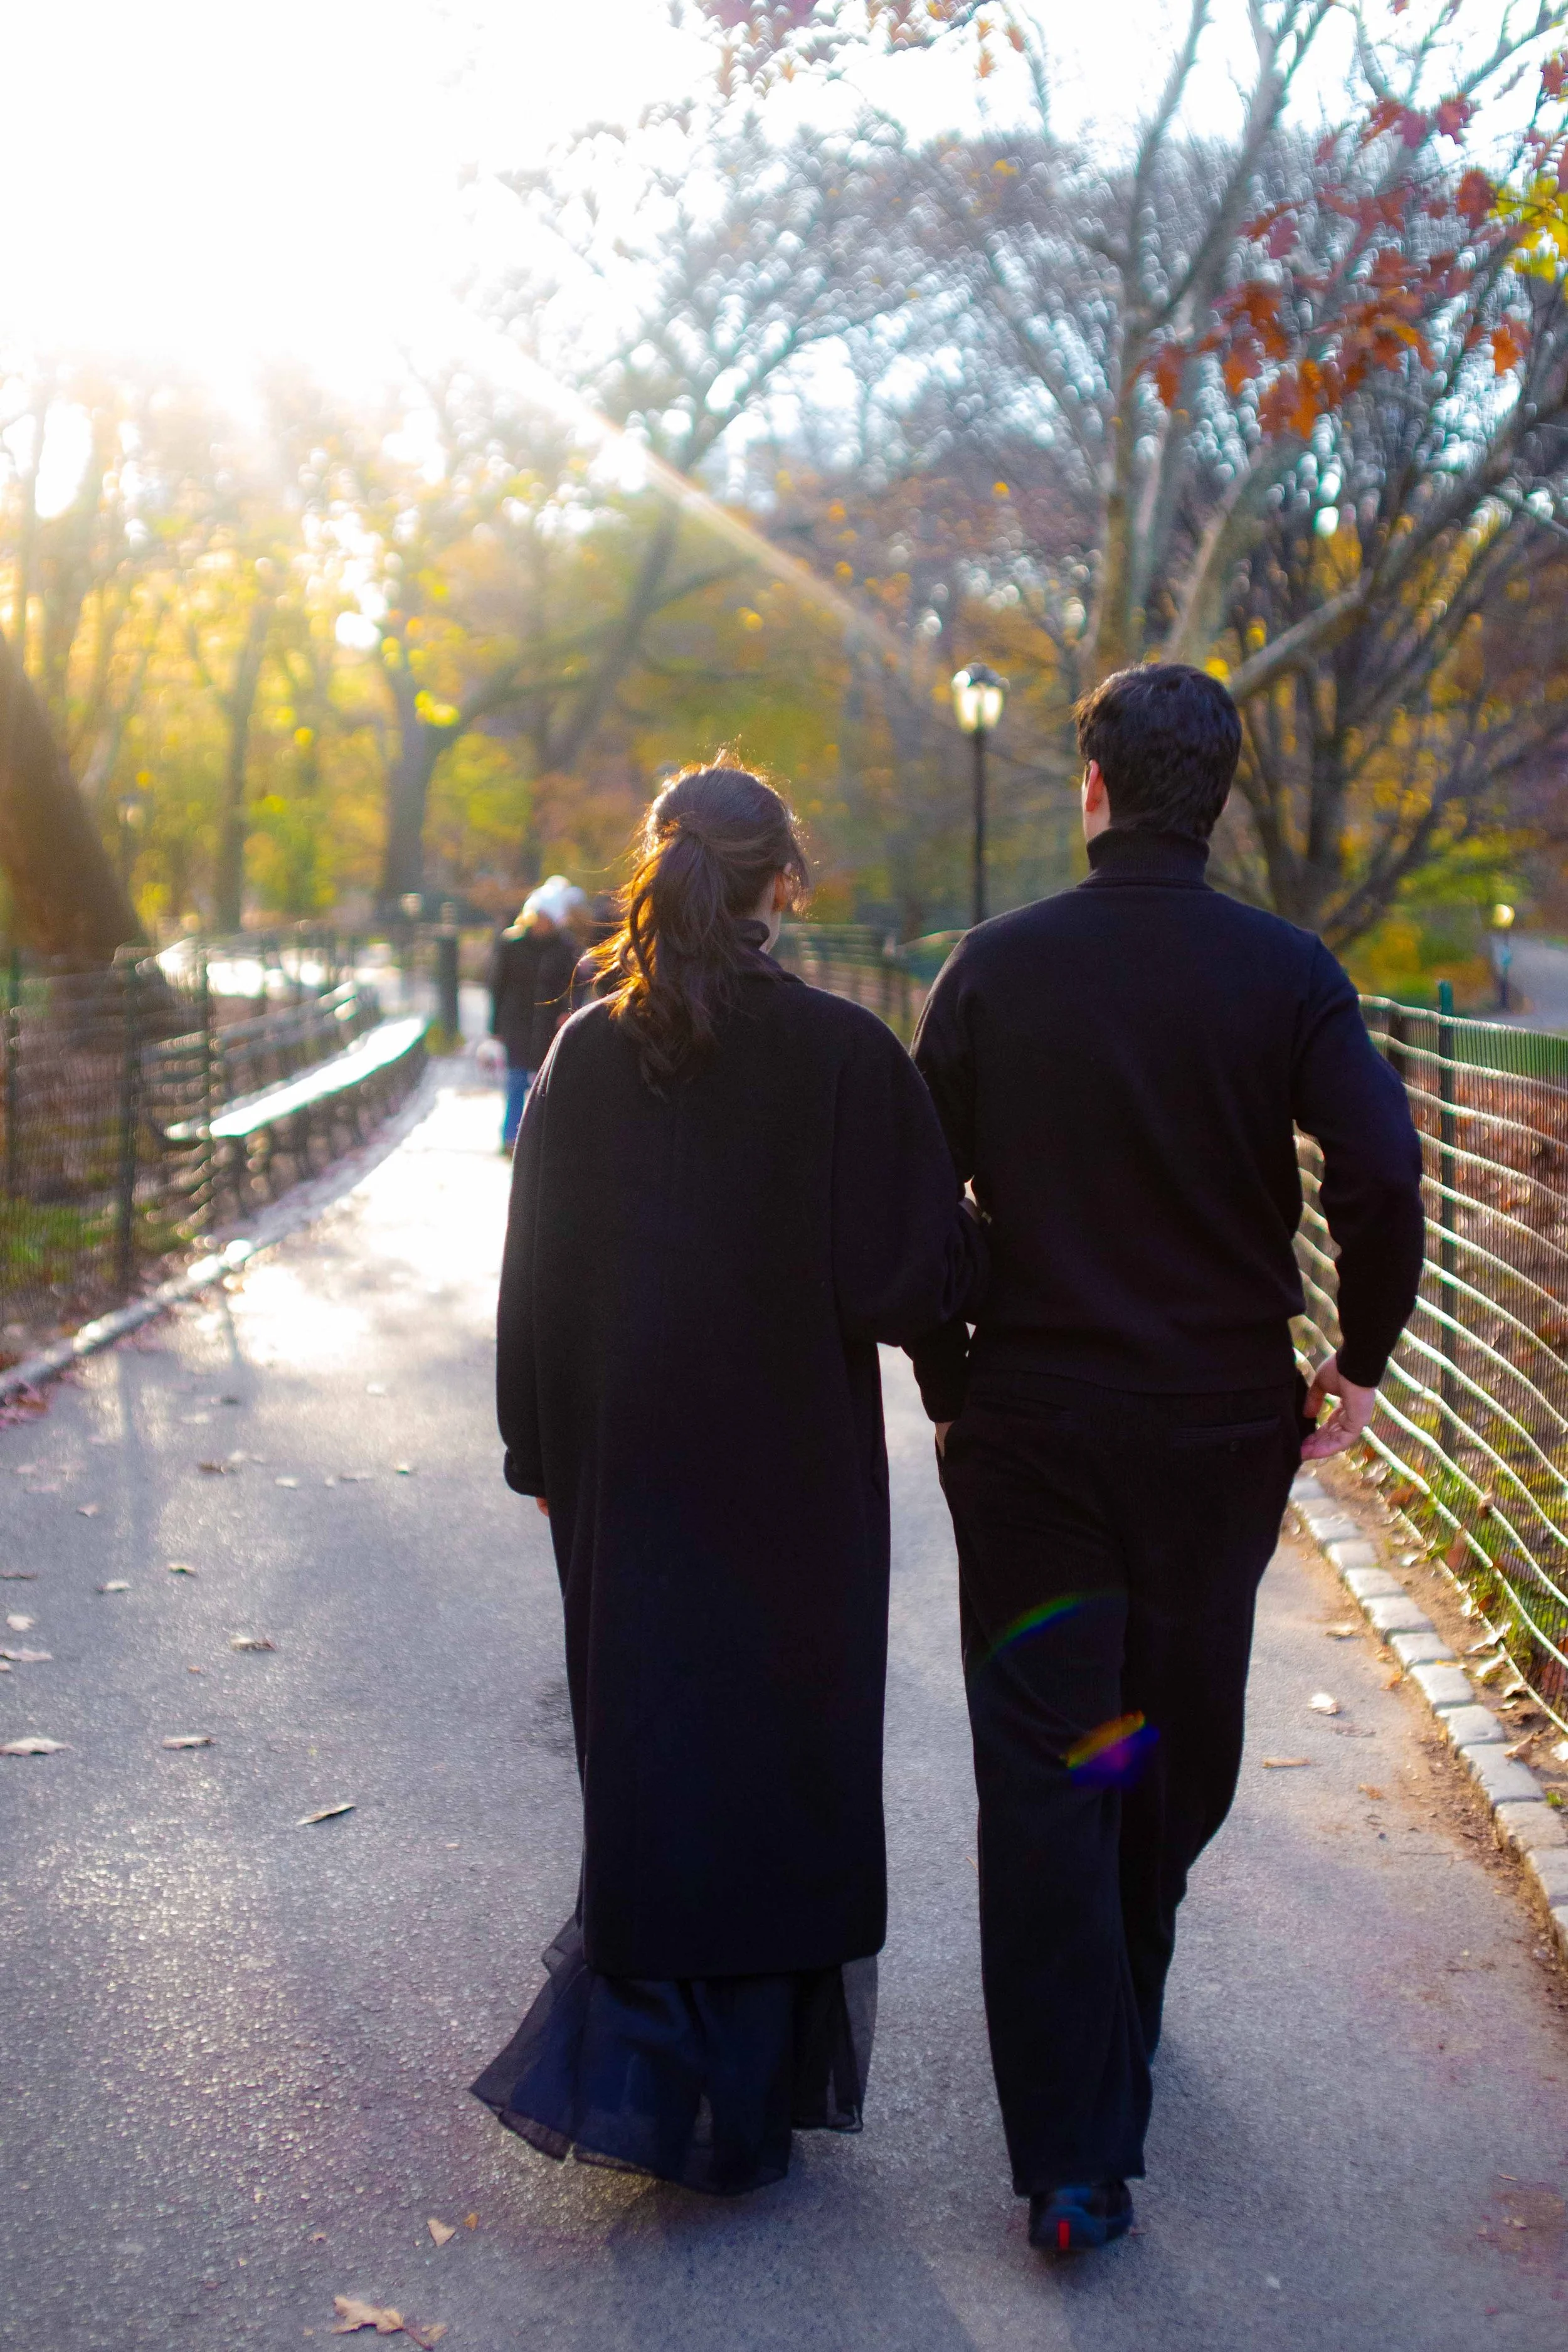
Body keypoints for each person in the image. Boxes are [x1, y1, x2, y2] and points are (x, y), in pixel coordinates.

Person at [910, 663, 1424, 2258]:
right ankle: (1100, 2058)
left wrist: (949, 1375)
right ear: (1218, 794)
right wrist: (1363, 1353)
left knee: (1065, 1747)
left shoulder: (991, 968)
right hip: (1217, 1428)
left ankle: (1077, 2138)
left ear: (1092, 787)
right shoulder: (1287, 972)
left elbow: (927, 1215)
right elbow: (1385, 1169)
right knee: (1167, 1726)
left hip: (1036, 1425)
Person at [473, 761, 986, 2196]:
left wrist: (535, 1452)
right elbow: (905, 1279)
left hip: (621, 1461)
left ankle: (649, 2068)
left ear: (659, 865)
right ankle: (758, 2086)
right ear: (786, 882)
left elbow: (537, 1284)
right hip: (792, 1463)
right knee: (784, 1745)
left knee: (653, 1742)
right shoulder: (840, 1053)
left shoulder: (584, 1052)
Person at [485, 879, 585, 1152]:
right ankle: (511, 1136)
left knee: (544, 1084)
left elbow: (574, 986)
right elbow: (497, 985)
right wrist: (495, 1024)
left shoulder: (565, 948)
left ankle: (539, 1139)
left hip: (548, 1026)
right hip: (517, 1022)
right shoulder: (512, 944)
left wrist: (568, 1013)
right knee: (516, 1079)